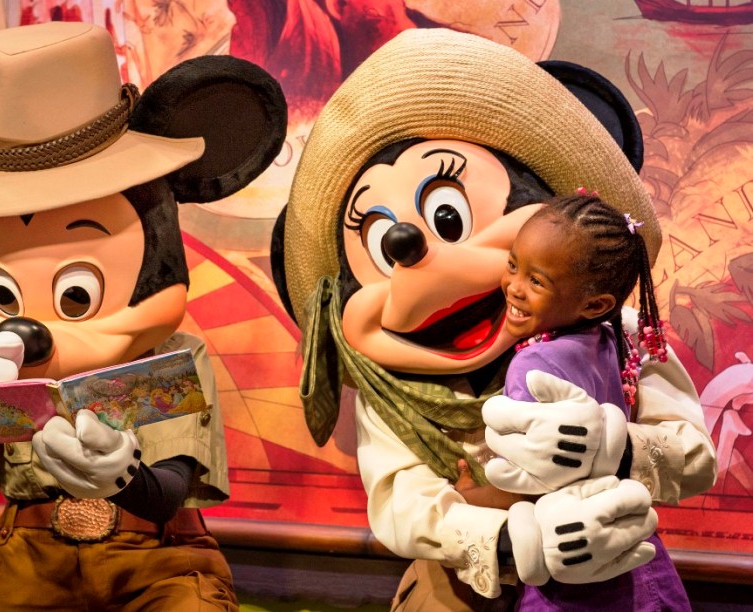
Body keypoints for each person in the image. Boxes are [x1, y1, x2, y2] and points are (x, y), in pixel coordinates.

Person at [270, 29, 716, 609]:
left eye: (449, 218)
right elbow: (400, 502)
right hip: (462, 586)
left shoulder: (619, 337)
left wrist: (612, 447)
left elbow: (694, 457)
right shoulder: (395, 388)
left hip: (613, 577)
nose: (424, 259)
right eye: (385, 244)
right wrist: (513, 542)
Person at [0, 21, 286, 610]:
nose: (29, 327)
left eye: (76, 293)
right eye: (1, 292)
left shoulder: (165, 360)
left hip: (155, 558)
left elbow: (168, 493)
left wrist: (123, 476)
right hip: (27, 553)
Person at [473, 191, 690, 609]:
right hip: (641, 558)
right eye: (513, 265)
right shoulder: (614, 340)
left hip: (578, 576)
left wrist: (466, 494)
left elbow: (528, 486)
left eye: (536, 281)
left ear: (595, 304)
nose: (514, 288)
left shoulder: (534, 365)